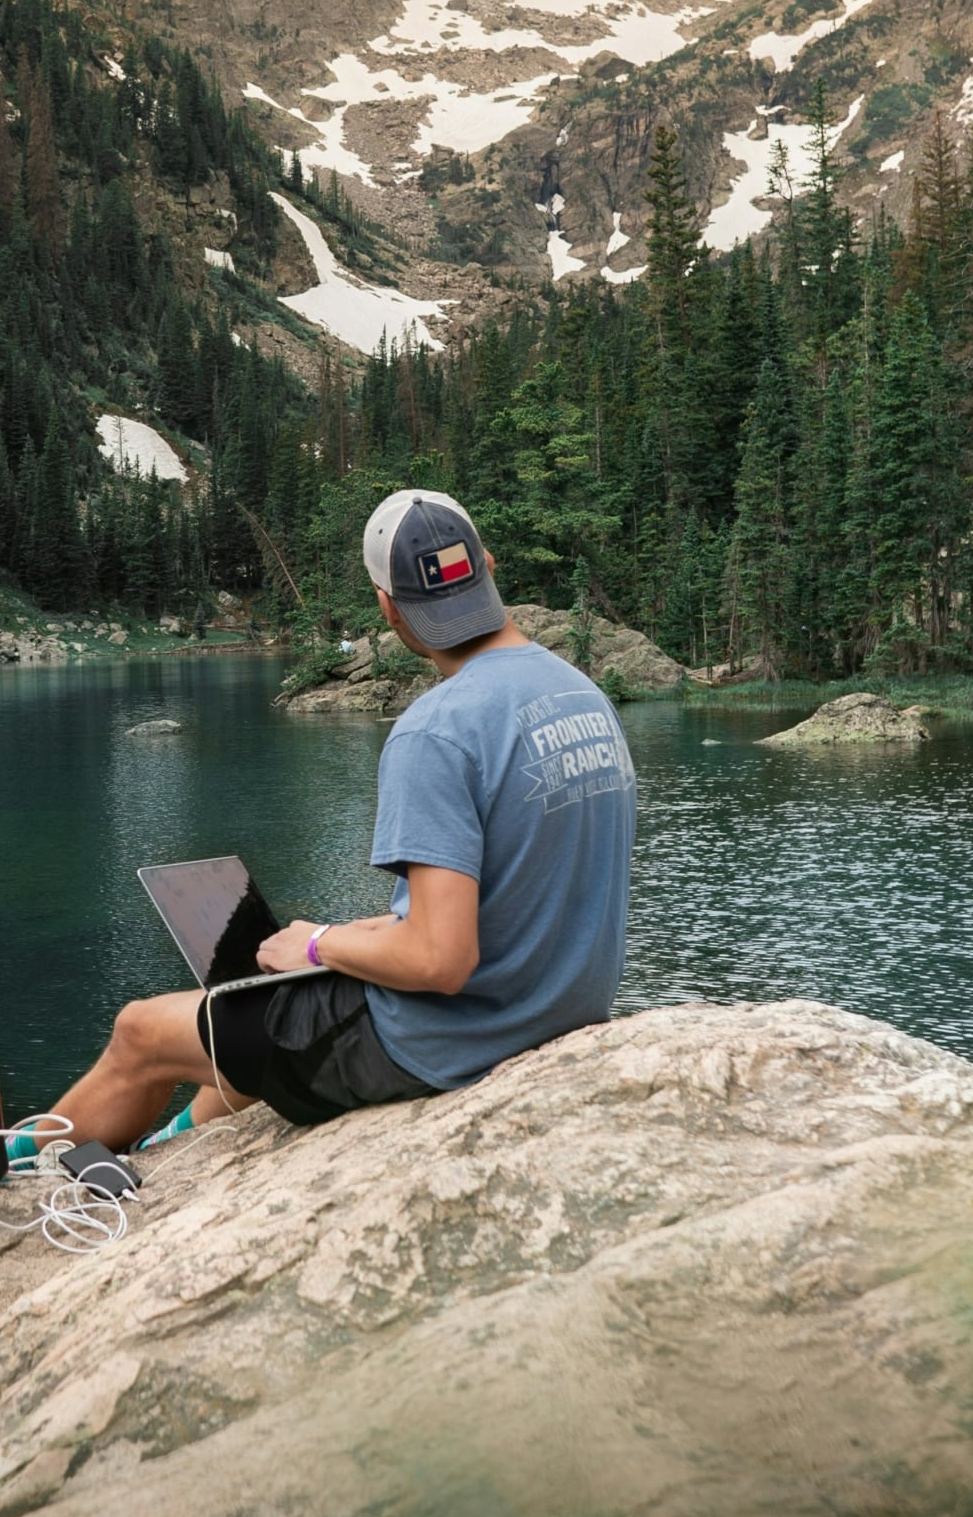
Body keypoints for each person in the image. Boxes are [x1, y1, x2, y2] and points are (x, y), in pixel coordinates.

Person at [45, 489, 636, 1150]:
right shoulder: (581, 694)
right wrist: (372, 934)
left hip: (443, 1045)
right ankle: (175, 1148)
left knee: (141, 1032)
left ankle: (1, 1167)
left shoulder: (436, 731)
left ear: (387, 605)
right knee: (251, 1019)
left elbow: (443, 960)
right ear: (488, 566)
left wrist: (321, 945)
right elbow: (524, 890)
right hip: (551, 1016)